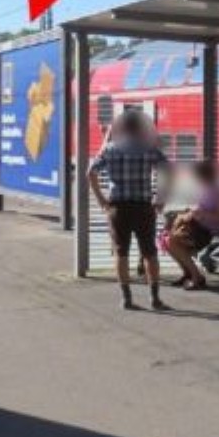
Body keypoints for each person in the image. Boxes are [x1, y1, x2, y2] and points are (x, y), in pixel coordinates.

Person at [87, 109, 170, 311]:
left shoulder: (110, 149)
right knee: (149, 253)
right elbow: (169, 171)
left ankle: (126, 298)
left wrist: (101, 200)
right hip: (144, 208)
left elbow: (90, 172)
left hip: (118, 209)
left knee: (121, 253)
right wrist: (161, 199)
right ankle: (155, 298)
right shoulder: (149, 148)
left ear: (122, 127)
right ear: (139, 127)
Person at [164, 159, 219, 291]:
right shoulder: (205, 189)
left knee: (172, 241)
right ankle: (188, 273)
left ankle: (197, 277)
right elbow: (199, 210)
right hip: (199, 228)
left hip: (209, 232)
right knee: (165, 239)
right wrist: (189, 213)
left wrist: (200, 214)